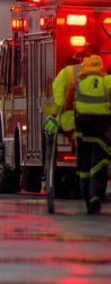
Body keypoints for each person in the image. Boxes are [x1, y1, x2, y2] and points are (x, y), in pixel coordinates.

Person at [45, 52, 111, 214]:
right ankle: (96, 194)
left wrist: (61, 121)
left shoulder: (75, 82)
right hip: (102, 131)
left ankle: (87, 198)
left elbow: (62, 100)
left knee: (83, 165)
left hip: (79, 128)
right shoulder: (106, 82)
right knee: (100, 163)